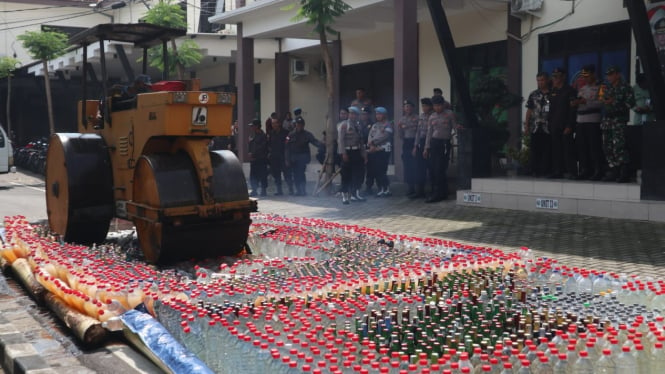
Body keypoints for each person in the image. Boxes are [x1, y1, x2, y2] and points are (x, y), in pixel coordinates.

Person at [601, 65, 636, 183]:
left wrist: (614, 102)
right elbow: (604, 103)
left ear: (617, 74)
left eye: (611, 74)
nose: (609, 77)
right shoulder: (608, 88)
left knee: (619, 147)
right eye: (608, 75)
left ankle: (624, 172)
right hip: (608, 121)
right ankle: (613, 170)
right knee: (607, 146)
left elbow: (630, 103)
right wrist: (607, 102)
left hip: (618, 121)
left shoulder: (625, 87)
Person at [571, 65, 604, 180]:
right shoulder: (582, 89)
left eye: (588, 76)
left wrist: (586, 102)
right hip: (580, 120)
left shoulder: (601, 87)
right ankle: (585, 169)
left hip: (593, 120)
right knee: (582, 147)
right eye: (584, 76)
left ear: (593, 74)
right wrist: (575, 103)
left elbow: (601, 103)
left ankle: (597, 170)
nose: (585, 79)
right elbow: (578, 102)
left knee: (594, 147)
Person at [424, 95, 459, 203]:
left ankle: (439, 194)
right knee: (432, 169)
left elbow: (455, 127)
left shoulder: (449, 114)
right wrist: (426, 148)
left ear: (443, 104)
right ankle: (439, 192)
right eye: (435, 106)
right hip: (434, 143)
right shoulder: (432, 116)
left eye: (439, 105)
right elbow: (429, 133)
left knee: (440, 169)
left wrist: (459, 134)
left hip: (444, 143)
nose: (437, 108)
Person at [547, 67, 578, 179]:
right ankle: (557, 171)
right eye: (553, 76)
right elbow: (549, 108)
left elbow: (572, 110)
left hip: (565, 124)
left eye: (557, 76)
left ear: (563, 77)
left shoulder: (570, 90)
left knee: (568, 149)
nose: (555, 79)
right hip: (554, 124)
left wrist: (570, 125)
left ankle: (572, 172)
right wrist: (548, 123)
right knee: (556, 149)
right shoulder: (552, 91)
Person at [285, 116, 323, 196]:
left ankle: (303, 190)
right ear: (295, 125)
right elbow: (287, 147)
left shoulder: (307, 134)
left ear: (303, 125)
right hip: (293, 158)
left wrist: (323, 145)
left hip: (303, 158)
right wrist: (287, 159)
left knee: (301, 174)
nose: (299, 126)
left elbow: (314, 142)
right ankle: (298, 190)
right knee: (295, 175)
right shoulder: (290, 135)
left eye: (301, 125)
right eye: (298, 124)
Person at [338, 106, 367, 204]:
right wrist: (343, 153)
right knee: (346, 174)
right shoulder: (344, 125)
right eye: (351, 113)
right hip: (347, 151)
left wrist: (364, 154)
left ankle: (355, 194)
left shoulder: (358, 126)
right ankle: (345, 196)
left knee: (358, 174)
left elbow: (361, 142)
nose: (352, 116)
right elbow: (341, 140)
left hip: (356, 152)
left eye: (354, 114)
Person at [524, 72, 552, 177]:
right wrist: (526, 125)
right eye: (538, 80)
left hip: (548, 127)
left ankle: (545, 170)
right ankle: (534, 170)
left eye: (542, 80)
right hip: (535, 126)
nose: (540, 82)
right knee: (535, 149)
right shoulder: (533, 94)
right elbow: (529, 110)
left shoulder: (552, 93)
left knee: (547, 150)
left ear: (547, 80)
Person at [366, 107, 394, 197]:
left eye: (379, 114)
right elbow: (370, 135)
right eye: (377, 114)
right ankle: (381, 189)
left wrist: (373, 142)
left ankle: (387, 189)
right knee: (377, 170)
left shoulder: (388, 125)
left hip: (384, 150)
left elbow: (385, 136)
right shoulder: (374, 125)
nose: (378, 116)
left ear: (384, 115)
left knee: (382, 170)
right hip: (374, 150)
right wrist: (371, 144)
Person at [410, 97, 433, 199]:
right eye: (422, 106)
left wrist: (427, 148)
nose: (423, 108)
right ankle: (420, 192)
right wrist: (415, 146)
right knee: (420, 168)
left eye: (425, 106)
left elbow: (430, 132)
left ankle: (433, 191)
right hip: (421, 143)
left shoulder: (433, 116)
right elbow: (418, 133)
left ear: (430, 106)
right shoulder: (421, 116)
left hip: (432, 144)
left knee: (432, 168)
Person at [397, 99, 419, 196]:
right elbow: (400, 134)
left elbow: (419, 132)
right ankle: (410, 187)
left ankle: (418, 188)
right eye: (406, 107)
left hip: (415, 142)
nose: (408, 108)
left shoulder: (418, 118)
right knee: (407, 165)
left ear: (413, 108)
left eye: (409, 107)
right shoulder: (401, 119)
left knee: (415, 165)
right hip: (406, 143)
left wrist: (416, 145)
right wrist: (400, 130)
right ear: (404, 108)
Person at [267, 115, 290, 195]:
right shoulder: (271, 133)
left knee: (287, 174)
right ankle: (279, 190)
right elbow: (269, 144)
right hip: (275, 157)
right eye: (272, 123)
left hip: (283, 156)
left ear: (279, 123)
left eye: (275, 123)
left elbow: (288, 145)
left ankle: (291, 189)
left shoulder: (285, 133)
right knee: (276, 175)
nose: (273, 125)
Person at [247, 119, 268, 197]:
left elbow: (262, 147)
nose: (251, 127)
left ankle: (263, 190)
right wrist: (249, 153)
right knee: (253, 175)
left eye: (252, 126)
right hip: (253, 159)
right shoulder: (252, 135)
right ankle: (254, 190)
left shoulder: (263, 136)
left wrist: (253, 153)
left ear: (257, 126)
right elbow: (249, 145)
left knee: (263, 174)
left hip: (261, 158)